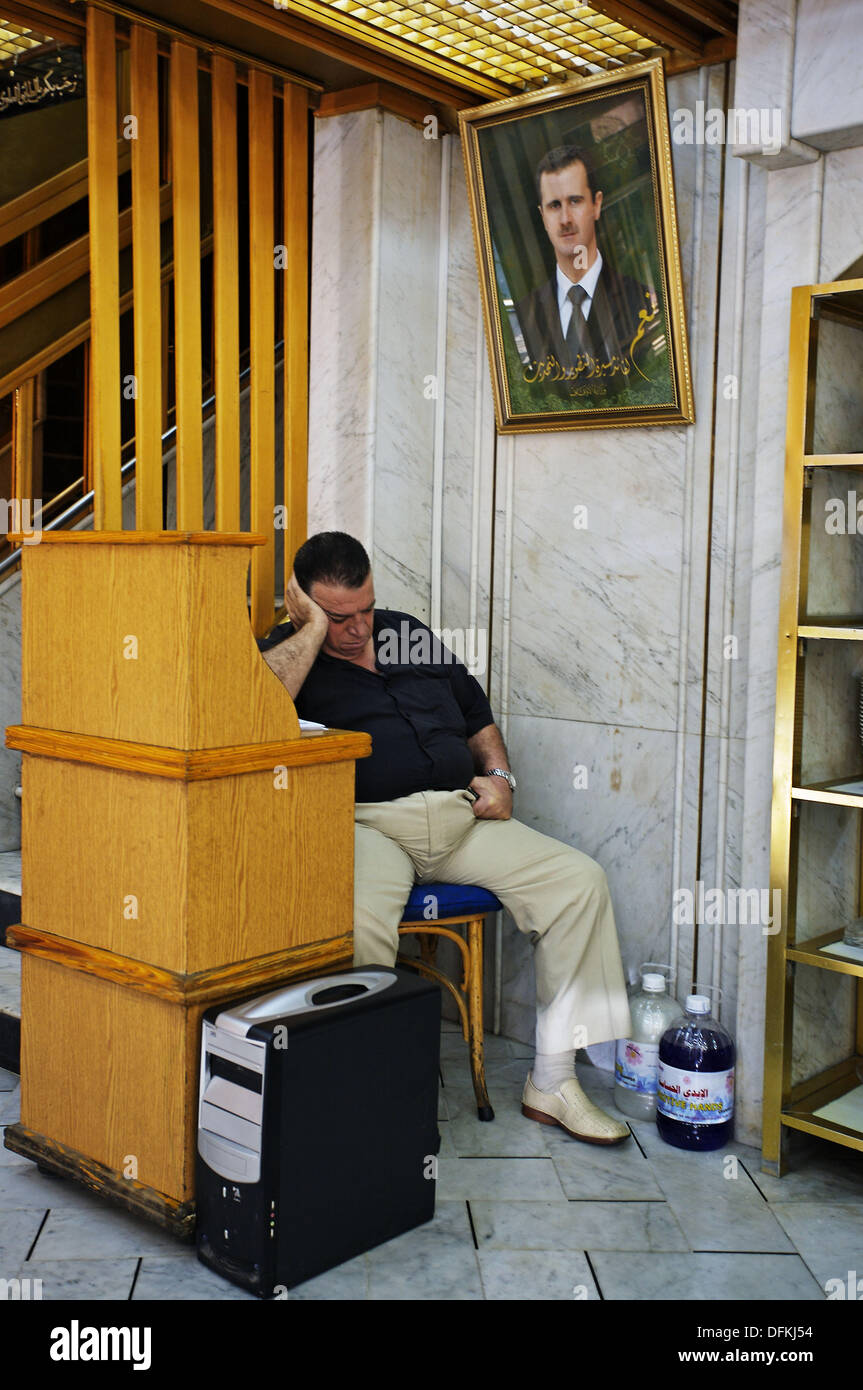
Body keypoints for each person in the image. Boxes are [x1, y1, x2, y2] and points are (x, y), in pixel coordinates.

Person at [259, 531, 633, 1145]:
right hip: (367, 825)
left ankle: (555, 1081)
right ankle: (360, 1099)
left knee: (578, 882)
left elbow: (475, 714)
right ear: (303, 602)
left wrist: (500, 775)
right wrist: (309, 633)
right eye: (337, 616)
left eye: (365, 611)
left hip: (461, 818)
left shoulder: (406, 632)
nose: (356, 629)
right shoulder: (286, 650)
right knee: (355, 920)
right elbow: (258, 713)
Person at [514, 144, 661, 393]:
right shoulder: (523, 315)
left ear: (597, 205)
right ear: (542, 217)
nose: (565, 219)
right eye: (554, 206)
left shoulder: (646, 304)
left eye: (575, 201)